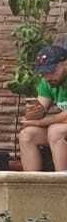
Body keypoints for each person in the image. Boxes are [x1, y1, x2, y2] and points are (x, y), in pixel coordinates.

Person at [18, 43, 67, 171]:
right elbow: (40, 107)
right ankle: (33, 187)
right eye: (44, 73)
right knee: (27, 135)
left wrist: (42, 122)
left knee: (56, 131)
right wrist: (33, 113)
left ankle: (62, 186)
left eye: (51, 71)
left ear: (65, 63)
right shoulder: (48, 82)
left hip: (60, 129)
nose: (48, 77)